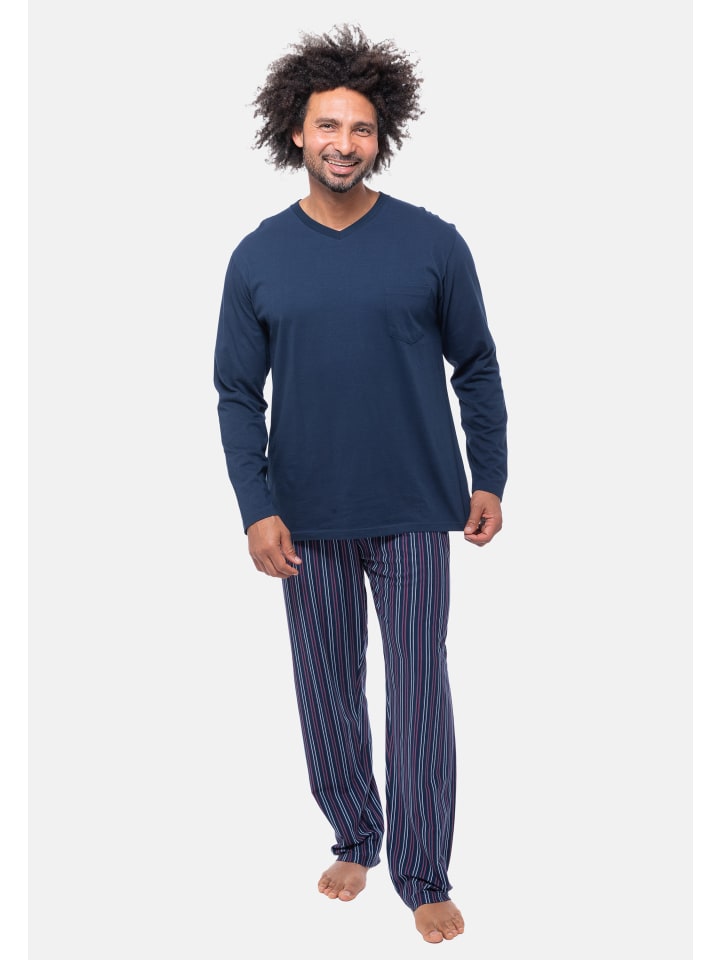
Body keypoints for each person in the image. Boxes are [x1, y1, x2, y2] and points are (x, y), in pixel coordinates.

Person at [213, 23, 508, 944]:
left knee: (418, 691)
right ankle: (355, 835)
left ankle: (423, 873)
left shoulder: (432, 243)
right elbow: (236, 393)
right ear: (295, 133)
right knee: (327, 687)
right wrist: (257, 508)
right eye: (328, 126)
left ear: (383, 136)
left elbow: (477, 366)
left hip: (418, 505)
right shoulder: (258, 256)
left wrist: (490, 475)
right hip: (305, 514)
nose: (344, 143)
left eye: (362, 128)